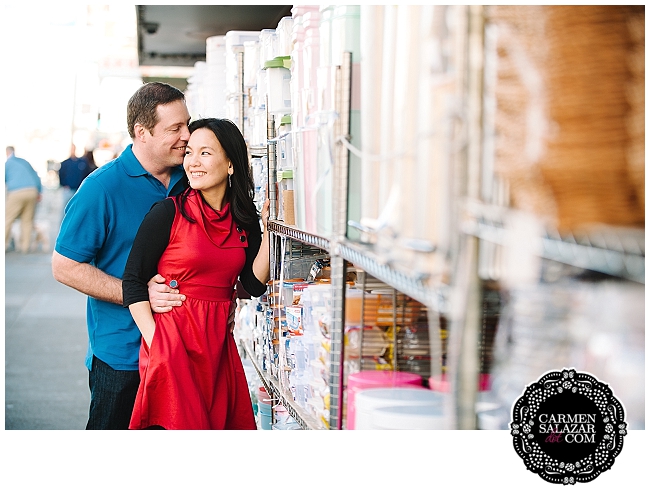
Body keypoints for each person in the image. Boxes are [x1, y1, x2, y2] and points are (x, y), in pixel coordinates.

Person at [51, 82, 190, 429]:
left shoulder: (193, 178)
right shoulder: (101, 188)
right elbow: (65, 266)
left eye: (187, 124)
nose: (187, 135)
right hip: (122, 356)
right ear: (141, 132)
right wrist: (138, 293)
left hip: (184, 349)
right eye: (175, 128)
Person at [122, 118, 270, 430]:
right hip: (172, 341)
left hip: (217, 347)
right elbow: (133, 281)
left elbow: (253, 285)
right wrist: (159, 346)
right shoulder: (168, 213)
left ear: (230, 164)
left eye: (205, 153)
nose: (193, 162)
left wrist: (270, 234)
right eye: (190, 153)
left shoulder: (244, 220)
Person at [5, 146, 42, 253]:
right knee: (27, 220)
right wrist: (39, 191)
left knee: (8, 219)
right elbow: (36, 176)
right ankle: (25, 247)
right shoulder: (24, 162)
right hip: (32, 190)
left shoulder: (7, 164)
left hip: (17, 192)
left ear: (7, 152)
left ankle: (3, 245)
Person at [58, 144, 92, 211]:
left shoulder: (81, 162)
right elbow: (61, 175)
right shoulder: (65, 163)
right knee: (65, 209)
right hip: (68, 189)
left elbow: (86, 174)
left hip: (78, 189)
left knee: (78, 209)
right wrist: (64, 184)